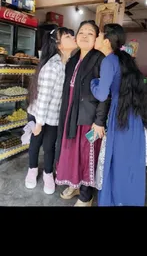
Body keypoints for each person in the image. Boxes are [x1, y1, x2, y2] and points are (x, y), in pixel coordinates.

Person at [90, 23, 147, 206]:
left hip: (119, 116)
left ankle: (113, 200)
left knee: (116, 162)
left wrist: (94, 82)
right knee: (130, 162)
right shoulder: (125, 59)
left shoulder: (109, 60)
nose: (96, 38)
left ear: (106, 40)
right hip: (133, 118)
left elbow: (101, 94)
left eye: (98, 35)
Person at [55, 20, 110, 206]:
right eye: (81, 32)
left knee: (87, 155)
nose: (84, 36)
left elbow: (105, 94)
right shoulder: (73, 58)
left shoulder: (100, 59)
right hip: (70, 114)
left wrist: (100, 121)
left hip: (89, 118)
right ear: (76, 37)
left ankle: (86, 195)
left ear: (96, 39)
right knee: (71, 153)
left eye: (90, 33)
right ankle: (75, 184)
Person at [25, 27, 77, 194]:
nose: (73, 37)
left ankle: (48, 173)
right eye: (67, 36)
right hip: (39, 113)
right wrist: (39, 123)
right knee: (35, 144)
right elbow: (43, 99)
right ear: (59, 45)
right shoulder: (52, 67)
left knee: (50, 147)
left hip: (54, 116)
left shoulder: (68, 63)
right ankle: (32, 170)